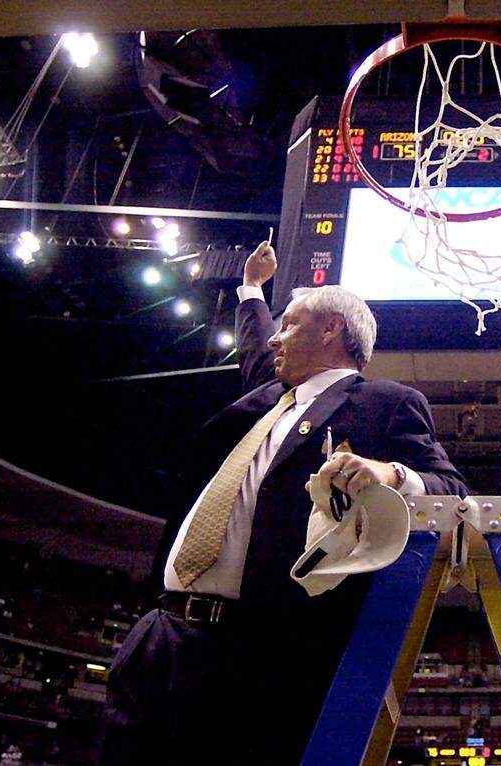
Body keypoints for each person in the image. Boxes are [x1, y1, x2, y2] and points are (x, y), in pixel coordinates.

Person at [100, 240, 470, 765]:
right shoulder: (268, 399)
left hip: (259, 648)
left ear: (331, 329)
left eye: (289, 324)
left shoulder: (385, 403)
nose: (275, 337)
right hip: (161, 634)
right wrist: (251, 288)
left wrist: (387, 473)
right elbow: (256, 348)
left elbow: (452, 489)